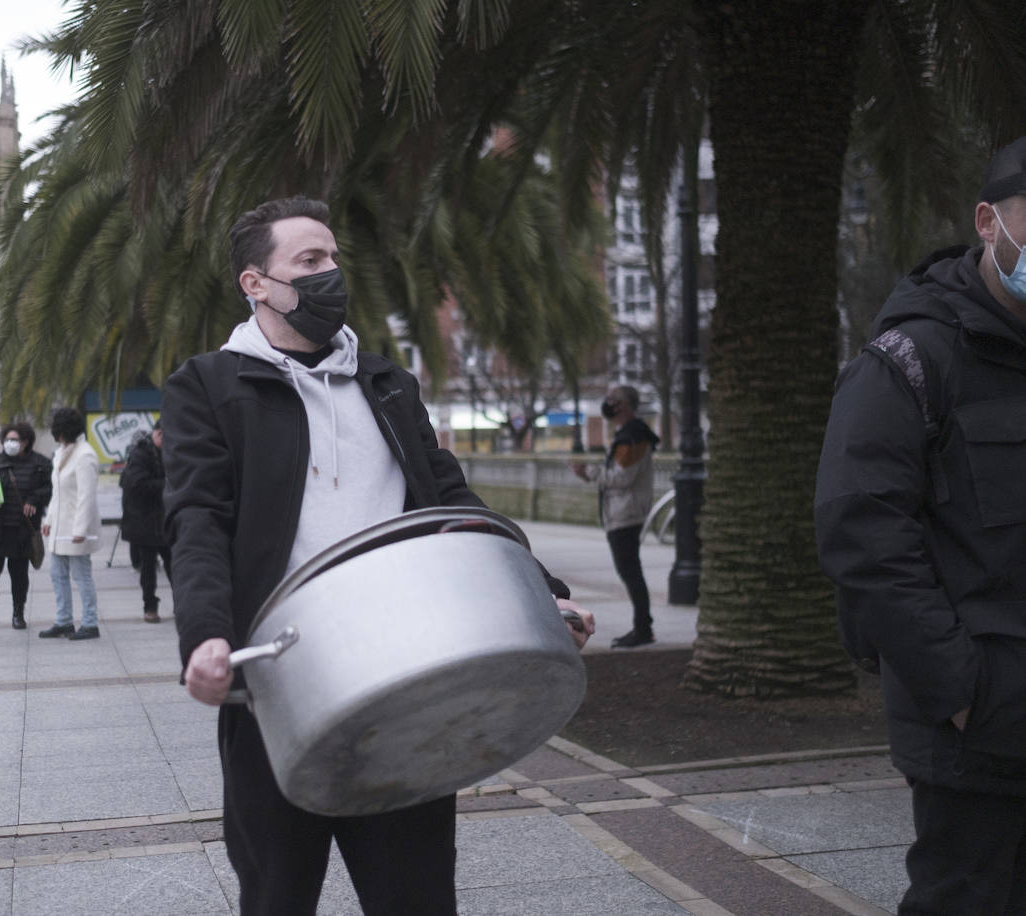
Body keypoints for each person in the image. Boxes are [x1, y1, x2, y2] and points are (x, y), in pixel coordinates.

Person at [162, 196, 594, 915]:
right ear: (255, 283)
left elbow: (452, 503)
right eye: (310, 260)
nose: (332, 272)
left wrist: (541, 596)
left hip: (408, 688)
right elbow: (198, 520)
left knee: (417, 900)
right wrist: (204, 635)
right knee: (276, 898)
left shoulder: (387, 383)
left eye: (334, 257)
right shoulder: (210, 385)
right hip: (275, 689)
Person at [814, 136, 1026, 914]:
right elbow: (861, 534)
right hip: (977, 728)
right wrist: (961, 689)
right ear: (988, 221)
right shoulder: (909, 361)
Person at [573, 385, 660, 648]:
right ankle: (643, 626)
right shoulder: (628, 435)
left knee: (630, 572)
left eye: (613, 400)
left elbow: (622, 477)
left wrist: (589, 473)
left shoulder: (632, 437)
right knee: (630, 571)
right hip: (622, 511)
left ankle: (643, 628)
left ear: (624, 405)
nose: (608, 403)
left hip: (626, 514)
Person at [0, 422, 51, 631]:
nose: (10, 444)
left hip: (22, 530)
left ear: (26, 442)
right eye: (7, 440)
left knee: (19, 575)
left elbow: (49, 488)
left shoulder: (39, 463)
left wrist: (34, 499)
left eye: (14, 440)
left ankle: (18, 613)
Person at [39, 407, 102, 639]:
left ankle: (89, 622)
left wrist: (80, 530)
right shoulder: (61, 453)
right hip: (60, 529)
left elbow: (87, 496)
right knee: (57, 574)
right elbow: (57, 493)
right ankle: (64, 620)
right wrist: (49, 520)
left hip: (76, 528)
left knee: (81, 576)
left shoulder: (85, 455)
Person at [120, 425, 170, 623]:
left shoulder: (171, 450)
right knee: (148, 567)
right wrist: (167, 484)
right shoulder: (140, 453)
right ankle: (150, 607)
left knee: (176, 564)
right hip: (145, 520)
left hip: (165, 519)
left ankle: (182, 605)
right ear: (157, 433)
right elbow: (136, 484)